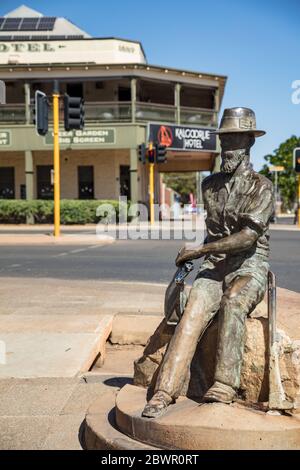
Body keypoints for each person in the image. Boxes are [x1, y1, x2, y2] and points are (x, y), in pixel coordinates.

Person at [142, 107, 274, 418]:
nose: (229, 148)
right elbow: (212, 234)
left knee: (233, 301)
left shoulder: (262, 186)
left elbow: (246, 238)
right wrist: (194, 254)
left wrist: (201, 251)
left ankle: (225, 384)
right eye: (225, 141)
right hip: (214, 264)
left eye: (236, 141)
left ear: (249, 143)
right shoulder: (209, 186)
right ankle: (165, 391)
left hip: (250, 264)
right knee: (194, 307)